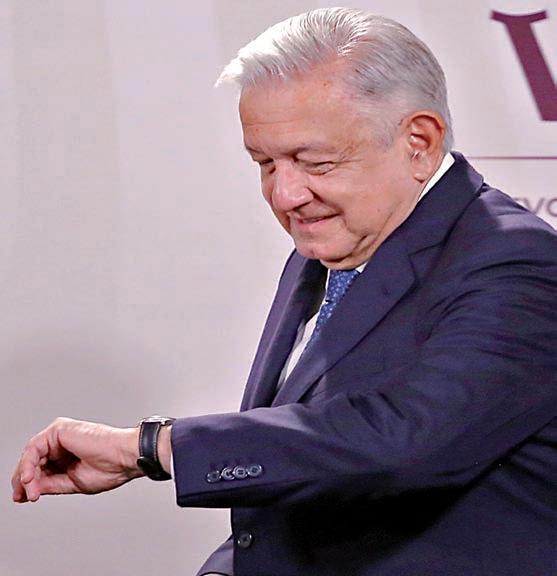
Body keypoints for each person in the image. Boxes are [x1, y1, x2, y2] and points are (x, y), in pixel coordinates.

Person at [12, 8, 557, 576]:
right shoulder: (328, 247)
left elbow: (403, 442)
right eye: (265, 163)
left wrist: (152, 448)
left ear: (418, 142)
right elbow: (305, 475)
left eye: (314, 161)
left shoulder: (517, 263)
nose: (285, 194)